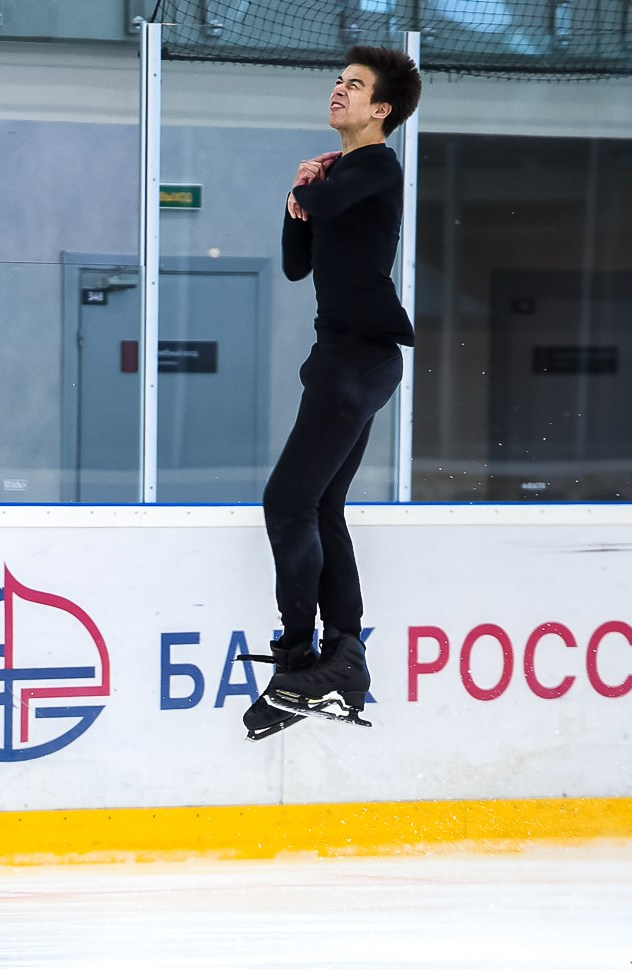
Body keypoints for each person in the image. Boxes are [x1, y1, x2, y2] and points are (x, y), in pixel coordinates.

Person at [243, 45, 422, 739]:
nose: (337, 92)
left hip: (358, 357)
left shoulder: (374, 164)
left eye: (353, 86)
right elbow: (295, 263)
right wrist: (299, 195)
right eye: (336, 82)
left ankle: (298, 659)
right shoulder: (340, 172)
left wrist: (307, 188)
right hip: (343, 358)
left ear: (380, 110)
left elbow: (324, 200)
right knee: (319, 506)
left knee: (286, 501)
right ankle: (342, 656)